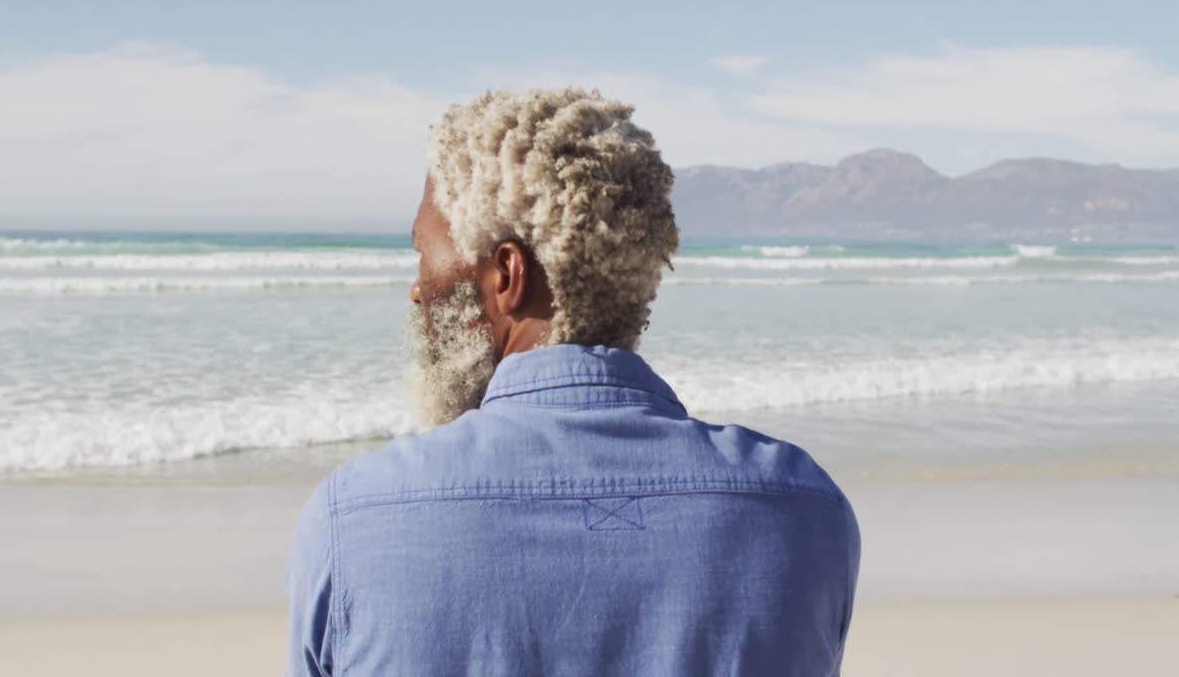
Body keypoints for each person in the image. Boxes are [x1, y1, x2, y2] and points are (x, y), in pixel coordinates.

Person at [285, 88, 859, 676]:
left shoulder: (354, 521)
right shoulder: (804, 512)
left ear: (508, 273)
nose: (417, 287)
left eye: (423, 253)